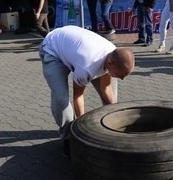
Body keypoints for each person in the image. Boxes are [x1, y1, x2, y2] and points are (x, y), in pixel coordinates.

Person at [39, 25, 135, 156]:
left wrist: (113, 114)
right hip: (53, 49)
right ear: (110, 63)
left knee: (112, 91)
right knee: (61, 99)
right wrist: (83, 128)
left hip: (73, 47)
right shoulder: (87, 67)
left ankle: (110, 127)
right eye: (120, 75)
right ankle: (68, 137)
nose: (122, 79)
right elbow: (78, 96)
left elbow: (105, 88)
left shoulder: (112, 54)